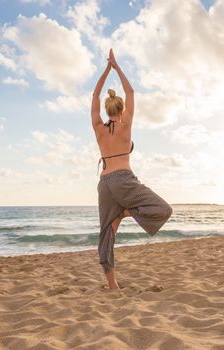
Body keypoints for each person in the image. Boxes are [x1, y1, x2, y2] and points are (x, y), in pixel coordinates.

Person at [91, 49, 173, 290]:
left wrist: (106, 70)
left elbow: (95, 94)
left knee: (107, 233)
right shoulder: (126, 124)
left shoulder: (98, 127)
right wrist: (116, 67)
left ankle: (112, 285)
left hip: (104, 183)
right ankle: (126, 212)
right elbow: (131, 91)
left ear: (107, 110)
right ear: (122, 110)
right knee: (163, 209)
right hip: (123, 180)